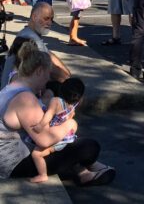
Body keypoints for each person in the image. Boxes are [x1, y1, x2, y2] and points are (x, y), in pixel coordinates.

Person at [0, 42, 115, 185]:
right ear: (39, 71)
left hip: (11, 155)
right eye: (48, 73)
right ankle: (83, 171)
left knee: (66, 143)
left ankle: (83, 172)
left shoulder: (13, 86)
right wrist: (70, 124)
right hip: (12, 163)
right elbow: (45, 139)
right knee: (89, 147)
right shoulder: (25, 99)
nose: (48, 78)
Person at [1, 2, 71, 89]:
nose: (50, 23)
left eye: (51, 19)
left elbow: (50, 56)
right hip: (16, 97)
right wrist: (70, 83)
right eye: (46, 18)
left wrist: (68, 76)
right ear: (34, 17)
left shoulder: (30, 34)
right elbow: (55, 72)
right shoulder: (30, 38)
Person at [29, 77, 85, 183]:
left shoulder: (56, 101)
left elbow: (49, 115)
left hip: (53, 136)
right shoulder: (73, 107)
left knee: (36, 154)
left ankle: (42, 174)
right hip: (64, 139)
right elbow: (68, 118)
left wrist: (40, 126)